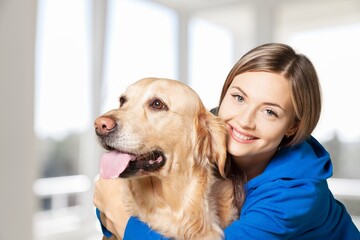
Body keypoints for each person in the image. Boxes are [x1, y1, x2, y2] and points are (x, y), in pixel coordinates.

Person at [93, 43, 360, 239]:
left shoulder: (294, 195)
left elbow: (116, 211)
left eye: (269, 112)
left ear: (292, 127)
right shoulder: (209, 131)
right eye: (239, 97)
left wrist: (123, 219)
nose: (244, 121)